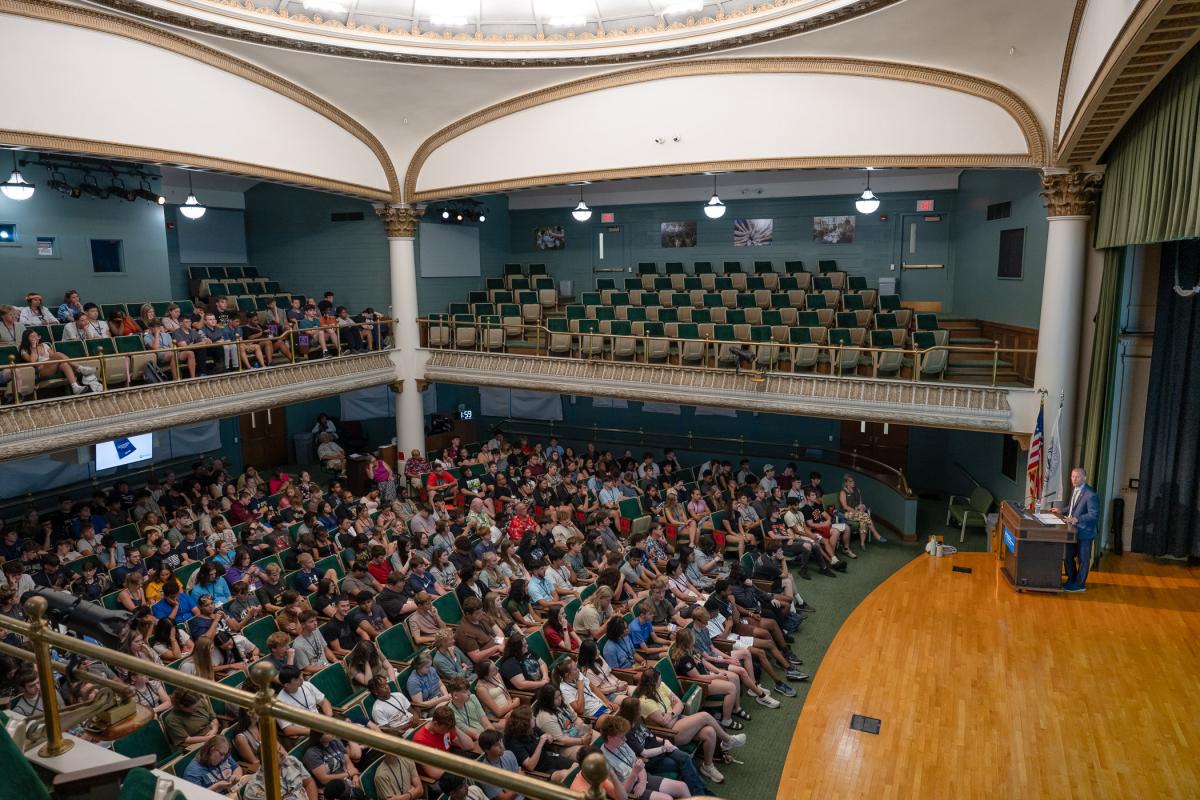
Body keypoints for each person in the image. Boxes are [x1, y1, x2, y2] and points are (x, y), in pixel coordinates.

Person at [597, 714, 690, 800]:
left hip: (642, 778)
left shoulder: (622, 744)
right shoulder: (603, 760)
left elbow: (639, 765)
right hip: (632, 791)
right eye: (622, 737)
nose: (625, 739)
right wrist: (634, 773)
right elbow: (622, 794)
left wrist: (642, 782)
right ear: (610, 738)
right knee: (667, 799)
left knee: (682, 787)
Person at [1059, 467, 1099, 592]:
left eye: (1077, 477)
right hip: (1072, 531)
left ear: (1084, 478)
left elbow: (1094, 514)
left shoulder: (1091, 494)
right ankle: (1072, 580)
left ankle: (1080, 585)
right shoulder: (1076, 490)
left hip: (1085, 532)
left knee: (1083, 559)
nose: (1074, 479)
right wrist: (1061, 511)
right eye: (1072, 476)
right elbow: (1072, 507)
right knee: (1067, 556)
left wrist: (1077, 519)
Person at [183, 734, 248, 795]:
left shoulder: (224, 754)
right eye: (221, 754)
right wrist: (216, 786)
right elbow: (196, 797)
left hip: (233, 793)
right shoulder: (192, 772)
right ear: (212, 750)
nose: (223, 757)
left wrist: (235, 776)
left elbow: (237, 768)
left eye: (225, 754)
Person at [839, 474, 886, 548]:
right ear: (846, 483)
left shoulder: (857, 490)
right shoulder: (843, 492)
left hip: (857, 513)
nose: (853, 482)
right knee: (865, 515)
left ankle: (862, 543)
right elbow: (845, 506)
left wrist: (861, 507)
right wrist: (856, 511)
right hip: (846, 513)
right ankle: (876, 534)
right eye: (850, 481)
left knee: (863, 520)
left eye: (853, 480)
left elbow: (860, 502)